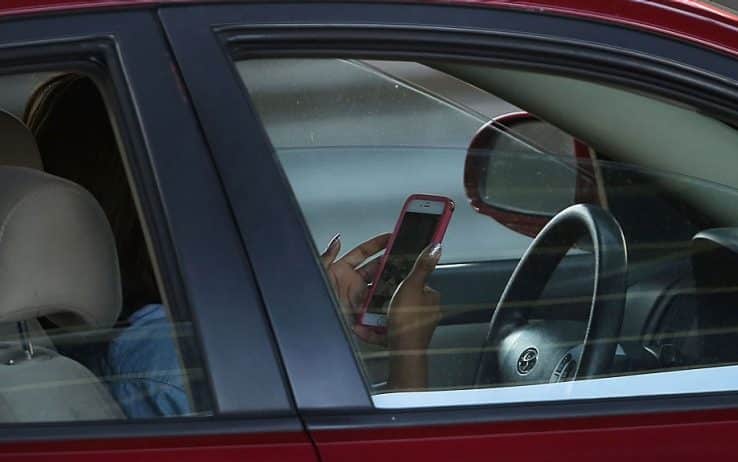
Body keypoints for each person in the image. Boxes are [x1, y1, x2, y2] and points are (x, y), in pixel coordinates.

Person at [24, 73, 442, 417]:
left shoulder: (145, 336)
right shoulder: (175, 358)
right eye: (209, 165)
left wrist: (300, 311)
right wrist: (409, 353)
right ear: (158, 198)